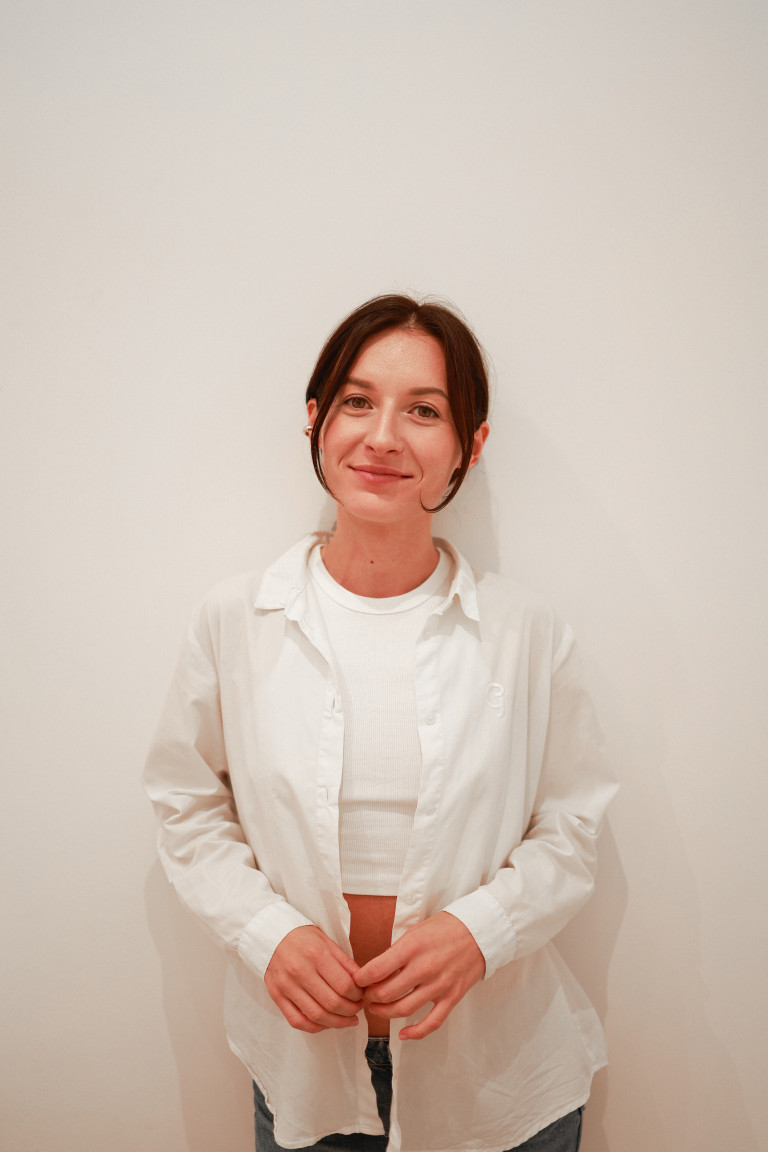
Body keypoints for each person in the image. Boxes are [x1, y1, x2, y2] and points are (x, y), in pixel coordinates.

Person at [144, 294, 617, 1152]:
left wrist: (480, 932)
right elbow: (187, 806)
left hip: (499, 1078)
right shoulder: (234, 621)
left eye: (425, 411)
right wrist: (267, 934)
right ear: (316, 420)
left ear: (470, 445)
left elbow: (574, 827)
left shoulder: (525, 632)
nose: (384, 436)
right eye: (358, 402)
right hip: (307, 1073)